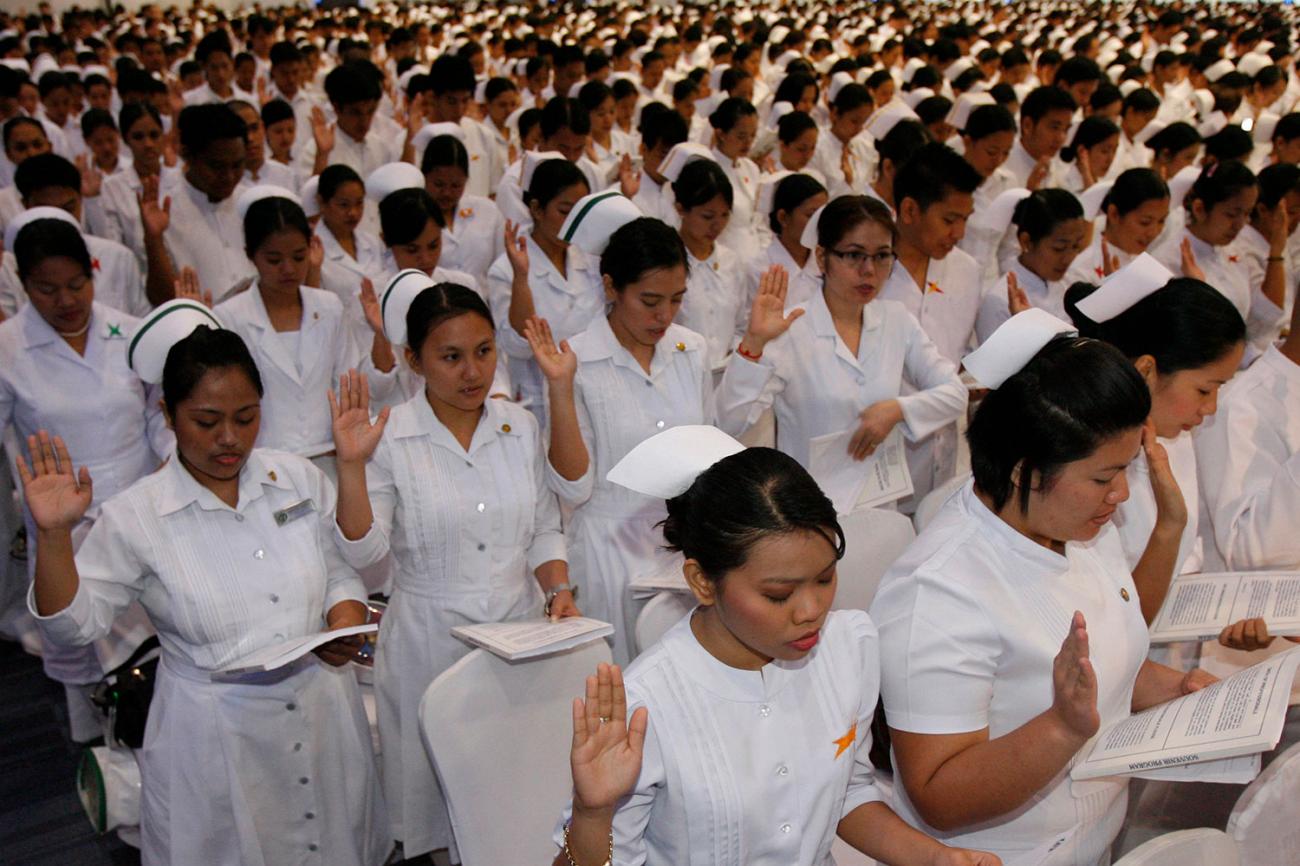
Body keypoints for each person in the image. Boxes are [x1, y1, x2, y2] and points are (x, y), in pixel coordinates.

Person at [554, 425, 1001, 866]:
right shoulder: (645, 706)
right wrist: (593, 815)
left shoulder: (849, 647)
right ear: (703, 582)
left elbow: (848, 791)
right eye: (778, 594)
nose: (811, 610)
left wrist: (935, 857)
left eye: (825, 578)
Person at [871, 309, 1215, 866]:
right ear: (1024, 469)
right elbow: (938, 793)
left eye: (1126, 470)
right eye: (1104, 477)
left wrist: (1180, 692)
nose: (1121, 495)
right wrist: (1059, 728)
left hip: (1095, 833)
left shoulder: (1068, 522)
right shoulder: (937, 592)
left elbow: (1101, 657)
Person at [331, 276, 575, 860]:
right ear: (414, 360)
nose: (473, 372)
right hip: (428, 644)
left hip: (518, 635)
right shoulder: (389, 439)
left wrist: (558, 588)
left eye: (484, 352)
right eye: (451, 357)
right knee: (442, 811)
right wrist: (351, 468)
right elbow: (365, 553)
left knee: (516, 798)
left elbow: (543, 527)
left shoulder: (519, 426)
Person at [0, 217, 170, 741]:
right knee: (82, 637)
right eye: (47, 289)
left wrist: (170, 458)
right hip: (64, 520)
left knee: (158, 641)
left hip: (140, 504)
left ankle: (159, 737)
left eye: (78, 284)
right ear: (23, 284)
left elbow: (156, 413)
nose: (67, 300)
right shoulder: (8, 348)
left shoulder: (127, 331)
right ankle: (102, 756)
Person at [527, 211, 710, 664]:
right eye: (650, 301)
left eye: (676, 299)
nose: (664, 315)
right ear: (611, 287)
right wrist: (560, 388)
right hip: (609, 554)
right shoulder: (577, 360)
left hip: (682, 551)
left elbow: (707, 448)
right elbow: (572, 487)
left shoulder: (692, 349)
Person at [716, 194, 965, 506]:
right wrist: (752, 345)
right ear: (822, 258)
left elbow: (955, 393)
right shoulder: (791, 329)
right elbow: (728, 423)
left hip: (881, 510)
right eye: (854, 255)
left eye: (882, 256)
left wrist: (898, 410)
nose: (869, 271)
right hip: (809, 514)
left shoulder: (897, 320)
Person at [1065, 258, 1246, 617]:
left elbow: (1186, 556)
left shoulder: (1172, 437)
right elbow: (1107, 614)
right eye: (1204, 390)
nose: (1211, 408)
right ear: (1147, 371)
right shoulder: (1082, 459)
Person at [215, 187, 396, 468]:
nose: (288, 269)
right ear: (250, 255)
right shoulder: (230, 317)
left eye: (299, 257)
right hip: (263, 464)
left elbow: (347, 383)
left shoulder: (329, 307)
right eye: (274, 260)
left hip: (331, 459)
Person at [880, 143, 983, 507]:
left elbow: (961, 349)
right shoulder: (870, 273)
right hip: (884, 445)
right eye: (949, 219)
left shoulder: (967, 270)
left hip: (948, 445)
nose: (958, 232)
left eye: (965, 220)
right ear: (909, 210)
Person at [487, 156, 600, 419]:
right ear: (537, 209)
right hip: (537, 402)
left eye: (579, 213)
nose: (573, 222)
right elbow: (517, 345)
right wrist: (521, 276)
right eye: (564, 211)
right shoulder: (505, 270)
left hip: (593, 394)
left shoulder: (590, 260)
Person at [1151, 161, 1282, 358]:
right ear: (1199, 209)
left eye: (1246, 214)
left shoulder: (1235, 250)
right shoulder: (1166, 260)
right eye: (1231, 214)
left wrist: (1277, 250)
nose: (1240, 224)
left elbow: (1265, 316)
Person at [148, 103, 254, 306]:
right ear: (187, 154)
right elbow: (159, 299)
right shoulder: (163, 214)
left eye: (237, 165)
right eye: (217, 166)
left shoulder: (252, 203)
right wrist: (153, 240)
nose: (229, 176)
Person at [975, 188, 1088, 343]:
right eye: (1059, 248)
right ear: (1026, 241)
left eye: (1076, 246)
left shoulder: (1071, 283)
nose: (1068, 258)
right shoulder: (1000, 301)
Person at [669, 156, 746, 371]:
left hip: (723, 376)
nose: (717, 225)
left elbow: (741, 324)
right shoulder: (663, 262)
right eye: (707, 216)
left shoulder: (732, 262)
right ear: (681, 208)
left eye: (724, 215)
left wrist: (733, 353)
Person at [421, 132, 505, 284]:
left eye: (455, 186)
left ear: (466, 180)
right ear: (424, 177)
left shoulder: (488, 212)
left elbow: (502, 269)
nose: (446, 193)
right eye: (439, 184)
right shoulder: (414, 216)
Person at [1064, 168, 1170, 286]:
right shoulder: (1081, 272)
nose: (1154, 233)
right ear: (1114, 214)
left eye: (1161, 221)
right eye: (1145, 222)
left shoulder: (1150, 266)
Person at [752, 171, 827, 307]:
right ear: (783, 217)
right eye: (810, 215)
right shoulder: (759, 269)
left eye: (822, 215)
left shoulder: (825, 264)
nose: (819, 223)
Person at [708, 97, 763, 260]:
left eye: (752, 136)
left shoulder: (750, 167)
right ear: (721, 134)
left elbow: (759, 217)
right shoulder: (709, 169)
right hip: (725, 255)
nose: (748, 142)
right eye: (741, 136)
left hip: (755, 254)